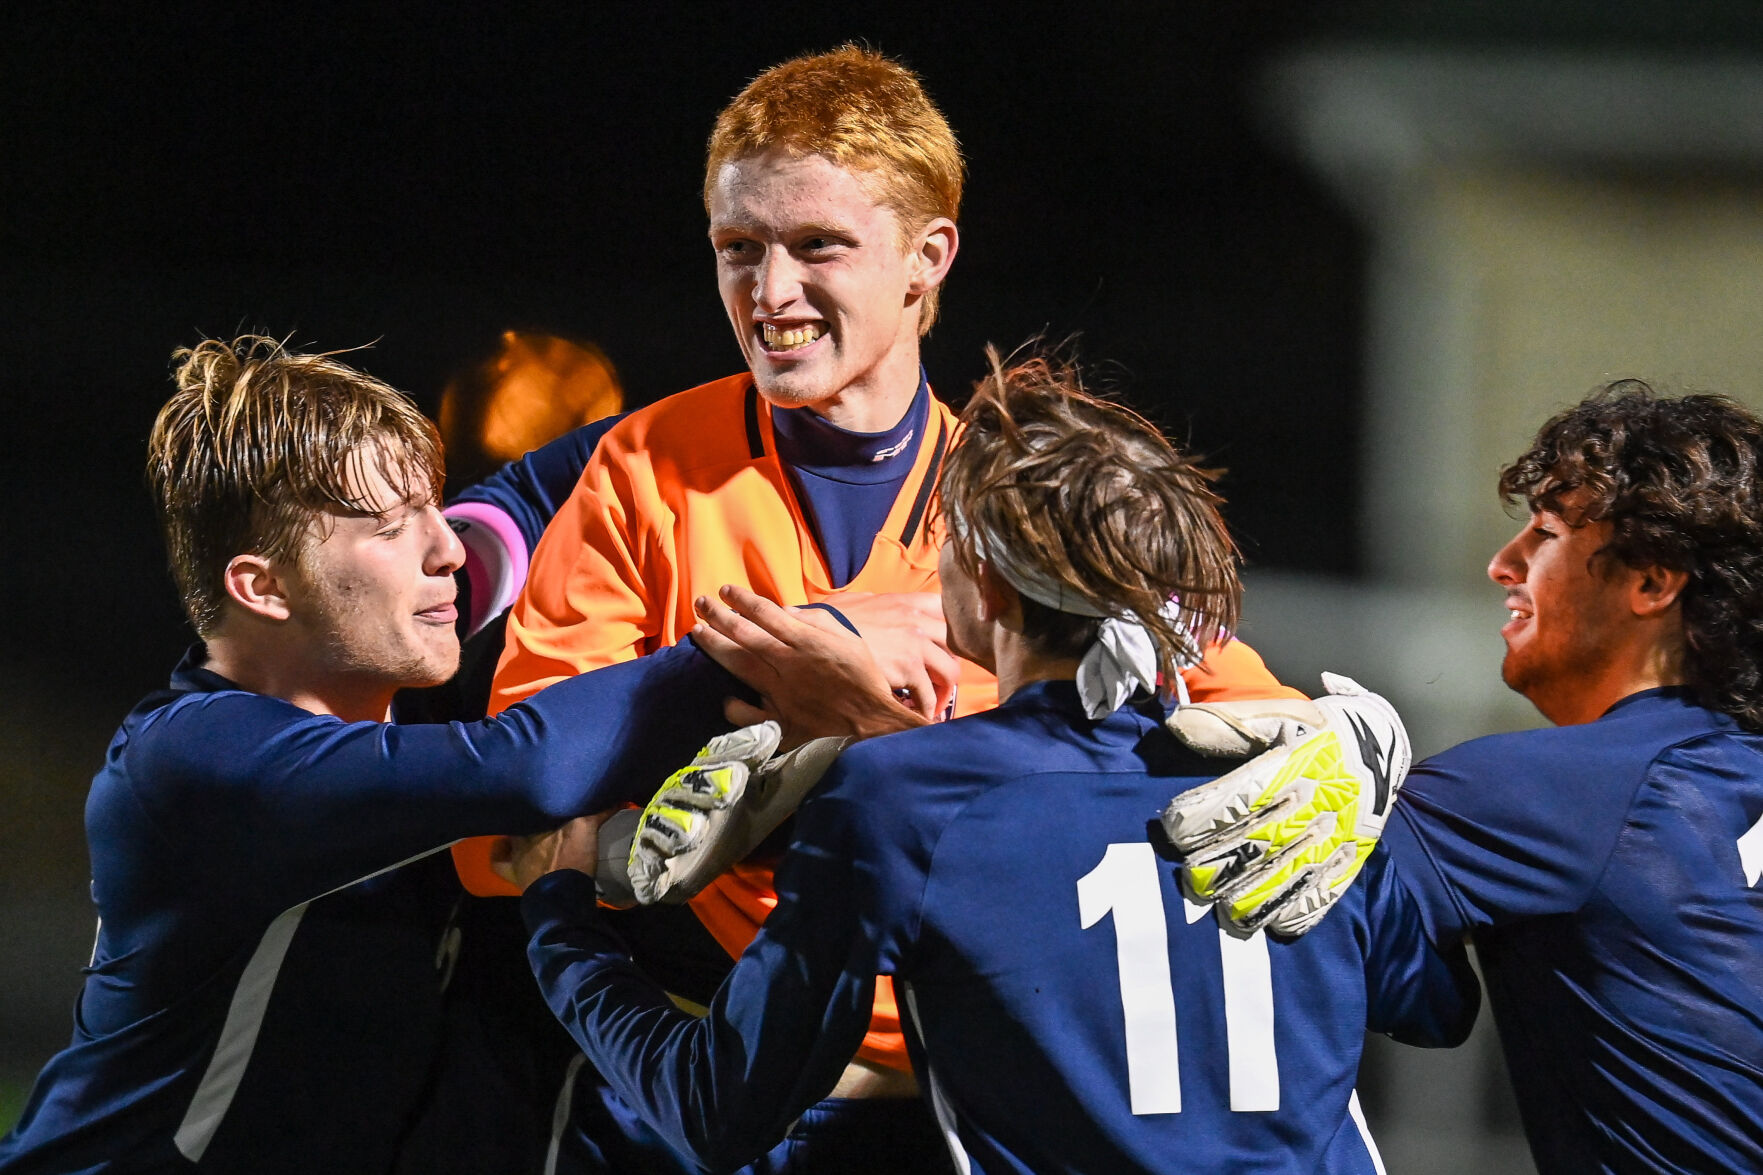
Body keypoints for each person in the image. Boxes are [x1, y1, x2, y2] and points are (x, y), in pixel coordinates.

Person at [455, 45, 1306, 1168]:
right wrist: (752, 748)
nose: (769, 294)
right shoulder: (647, 465)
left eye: (816, 246)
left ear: (925, 256)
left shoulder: (1030, 499)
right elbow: (518, 818)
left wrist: (1340, 741)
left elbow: (1241, 744)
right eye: (737, 249)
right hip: (696, 1079)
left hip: (971, 1102)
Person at [498, 351, 1477, 1174]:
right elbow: (1432, 1003)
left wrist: (563, 924)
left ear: (986, 580)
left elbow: (719, 1109)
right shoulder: (1307, 776)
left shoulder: (898, 797)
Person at [0, 335, 888, 1173]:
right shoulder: (199, 762)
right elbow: (530, 767)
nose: (445, 548)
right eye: (388, 527)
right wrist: (810, 637)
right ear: (261, 588)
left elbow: (563, 482)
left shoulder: (377, 682)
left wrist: (804, 384)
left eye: (431, 504)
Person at [1168, 381, 1763, 1172]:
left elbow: (1378, 974)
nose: (1500, 563)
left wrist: (1290, 723)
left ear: (1652, 582)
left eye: (1544, 534)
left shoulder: (1562, 791)